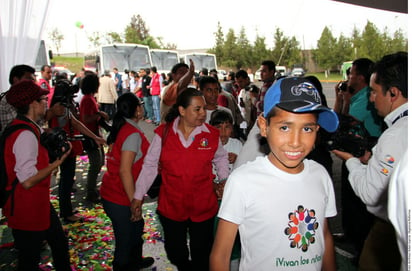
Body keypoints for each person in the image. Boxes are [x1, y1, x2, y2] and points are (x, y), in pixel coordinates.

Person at [210, 77, 339, 271]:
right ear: (264, 126)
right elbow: (221, 255)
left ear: (317, 130)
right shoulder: (242, 181)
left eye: (307, 128)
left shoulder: (320, 175)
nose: (296, 142)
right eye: (285, 127)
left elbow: (325, 235)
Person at [131, 88, 230, 271]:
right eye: (197, 109)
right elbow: (150, 165)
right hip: (172, 206)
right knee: (175, 252)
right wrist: (138, 196)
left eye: (203, 109)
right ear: (182, 111)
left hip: (203, 205)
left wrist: (224, 179)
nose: (203, 113)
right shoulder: (164, 134)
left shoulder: (210, 134)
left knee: (202, 254)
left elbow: (221, 157)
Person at [332, 51, 407, 271]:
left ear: (393, 93)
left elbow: (370, 194)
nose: (371, 99)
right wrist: (369, 159)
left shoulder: (394, 136)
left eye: (374, 92)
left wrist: (351, 160)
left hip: (392, 227)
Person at [3, 79, 72, 270]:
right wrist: (58, 162)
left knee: (59, 242)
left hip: (37, 202)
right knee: (29, 258)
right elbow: (27, 180)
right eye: (43, 99)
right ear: (33, 103)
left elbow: (44, 134)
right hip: (27, 206)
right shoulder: (25, 134)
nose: (45, 103)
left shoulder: (28, 126)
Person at [333, 58, 382, 263]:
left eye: (350, 73)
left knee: (359, 203)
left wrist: (343, 101)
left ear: (360, 77)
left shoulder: (364, 99)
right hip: (354, 152)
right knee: (349, 198)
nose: (348, 77)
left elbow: (342, 123)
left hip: (362, 155)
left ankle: (361, 247)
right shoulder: (358, 97)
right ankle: (351, 235)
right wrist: (343, 99)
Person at [100, 92, 154, 270]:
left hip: (115, 191)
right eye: (140, 104)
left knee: (136, 228)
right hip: (120, 196)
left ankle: (135, 261)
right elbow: (124, 170)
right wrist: (134, 203)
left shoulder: (123, 127)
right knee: (125, 240)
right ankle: (124, 265)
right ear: (137, 109)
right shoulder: (131, 134)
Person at [49, 79, 106, 220]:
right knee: (66, 180)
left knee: (68, 179)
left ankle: (67, 210)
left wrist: (95, 137)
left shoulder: (64, 107)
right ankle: (66, 212)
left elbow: (76, 123)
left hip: (69, 148)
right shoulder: (56, 108)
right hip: (62, 148)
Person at [79, 71, 108, 203]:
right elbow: (85, 119)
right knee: (95, 163)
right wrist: (99, 114)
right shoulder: (87, 100)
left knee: (99, 162)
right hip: (90, 136)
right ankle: (90, 191)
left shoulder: (90, 99)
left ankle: (92, 188)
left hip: (95, 135)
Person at [0, 64, 36, 131]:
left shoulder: (23, 98)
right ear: (16, 80)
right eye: (29, 80)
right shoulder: (8, 100)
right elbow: (20, 127)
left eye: (33, 81)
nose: (32, 84)